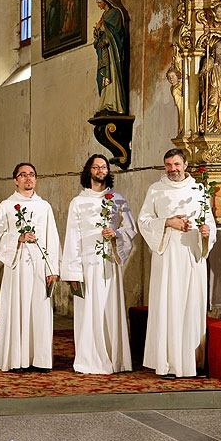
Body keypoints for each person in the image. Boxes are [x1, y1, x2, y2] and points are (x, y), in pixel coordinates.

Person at [138, 148, 216, 378]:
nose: (173, 169)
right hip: (168, 255)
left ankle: (192, 361)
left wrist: (206, 232)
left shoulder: (200, 189)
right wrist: (168, 223)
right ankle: (167, 362)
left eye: (177, 164)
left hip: (191, 256)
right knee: (168, 303)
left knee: (191, 305)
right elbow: (144, 221)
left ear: (185, 165)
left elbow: (209, 220)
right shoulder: (156, 190)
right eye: (169, 165)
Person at [61, 155, 137, 374]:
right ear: (89, 171)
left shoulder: (118, 199)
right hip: (87, 264)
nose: (100, 170)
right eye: (96, 167)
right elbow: (72, 236)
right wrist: (73, 271)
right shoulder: (78, 202)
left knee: (110, 309)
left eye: (104, 167)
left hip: (110, 262)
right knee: (89, 312)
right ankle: (89, 360)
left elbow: (131, 229)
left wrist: (116, 234)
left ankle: (116, 359)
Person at [0, 162, 60, 373]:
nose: (28, 178)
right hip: (17, 267)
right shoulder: (6, 206)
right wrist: (18, 238)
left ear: (36, 179)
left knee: (39, 311)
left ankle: (40, 360)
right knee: (17, 309)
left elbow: (52, 238)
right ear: (15, 180)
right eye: (23, 175)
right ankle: (16, 359)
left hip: (40, 267)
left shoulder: (44, 206)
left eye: (31, 175)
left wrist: (52, 269)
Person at [93, 0, 127, 116]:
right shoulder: (104, 15)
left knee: (112, 74)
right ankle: (105, 103)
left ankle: (114, 104)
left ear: (106, 1)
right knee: (101, 77)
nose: (98, 5)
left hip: (112, 52)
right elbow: (99, 33)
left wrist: (106, 40)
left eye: (99, 3)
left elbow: (116, 32)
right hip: (104, 52)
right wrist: (97, 31)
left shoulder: (115, 13)